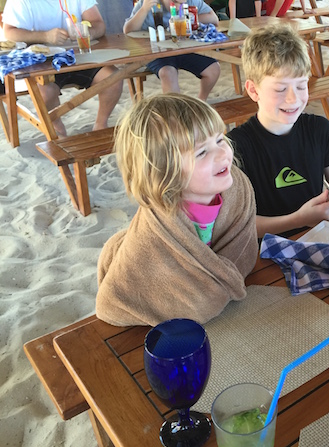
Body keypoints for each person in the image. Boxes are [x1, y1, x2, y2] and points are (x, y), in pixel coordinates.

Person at [96, 93, 258, 327]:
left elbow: (243, 253)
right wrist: (209, 294)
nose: (223, 154)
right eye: (202, 152)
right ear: (165, 171)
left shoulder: (238, 189)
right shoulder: (157, 229)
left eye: (220, 139)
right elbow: (111, 304)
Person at [227, 25, 329, 238]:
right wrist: (299, 219)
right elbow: (239, 224)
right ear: (254, 90)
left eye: (301, 86)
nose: (293, 99)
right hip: (264, 247)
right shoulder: (235, 147)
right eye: (280, 89)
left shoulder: (319, 129)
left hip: (314, 236)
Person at [2, 0, 123, 137]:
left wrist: (86, 32)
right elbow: (9, 32)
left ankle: (101, 123)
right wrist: (45, 36)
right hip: (42, 61)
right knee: (46, 92)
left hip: (79, 56)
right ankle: (56, 124)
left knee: (113, 78)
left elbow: (99, 24)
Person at [123, 0, 220, 101]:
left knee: (213, 69)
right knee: (168, 73)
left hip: (183, 48)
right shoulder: (149, 2)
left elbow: (214, 19)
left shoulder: (192, 2)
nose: (178, 7)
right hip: (156, 51)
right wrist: (143, 10)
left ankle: (200, 102)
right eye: (175, 2)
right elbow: (127, 30)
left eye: (182, 3)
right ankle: (176, 111)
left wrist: (189, 17)